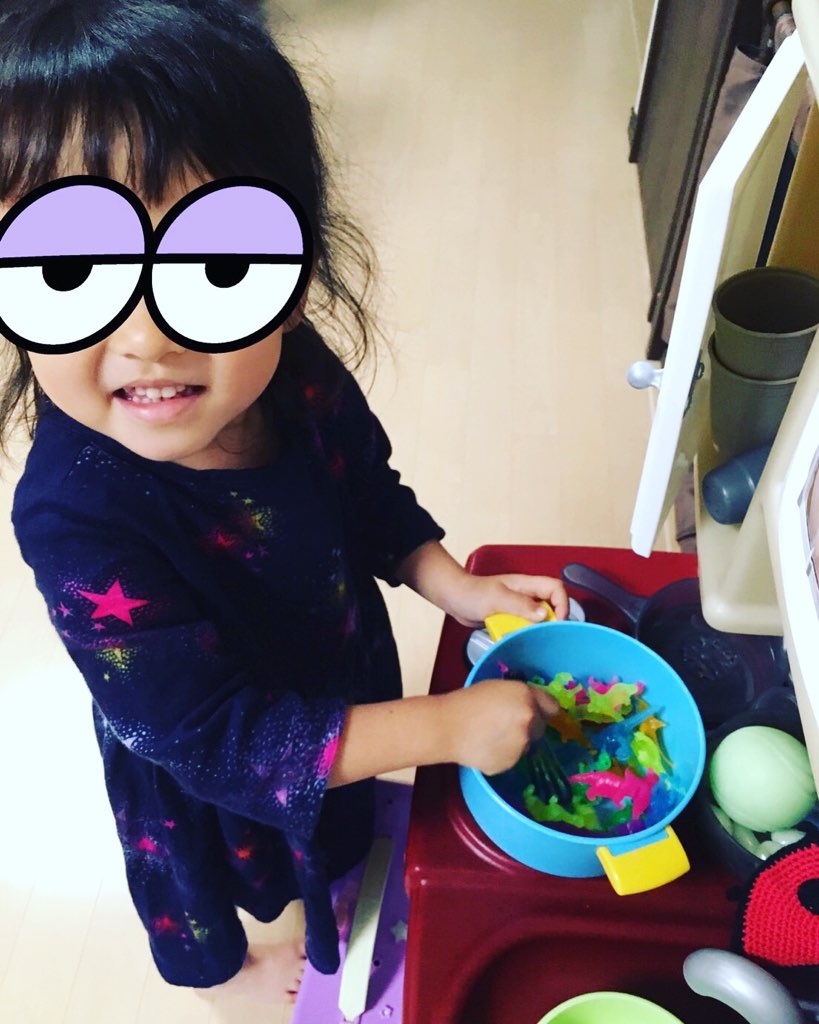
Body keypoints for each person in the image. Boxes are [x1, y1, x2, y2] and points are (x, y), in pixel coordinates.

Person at [0, 0, 567, 1004]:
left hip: (333, 672)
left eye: (214, 266)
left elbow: (368, 493)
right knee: (221, 891)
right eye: (73, 272)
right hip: (210, 765)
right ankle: (230, 979)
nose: (147, 338)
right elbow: (222, 742)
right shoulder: (73, 516)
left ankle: (320, 895)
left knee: (336, 840)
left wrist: (454, 585)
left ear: (293, 275)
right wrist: (445, 727)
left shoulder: (291, 369)